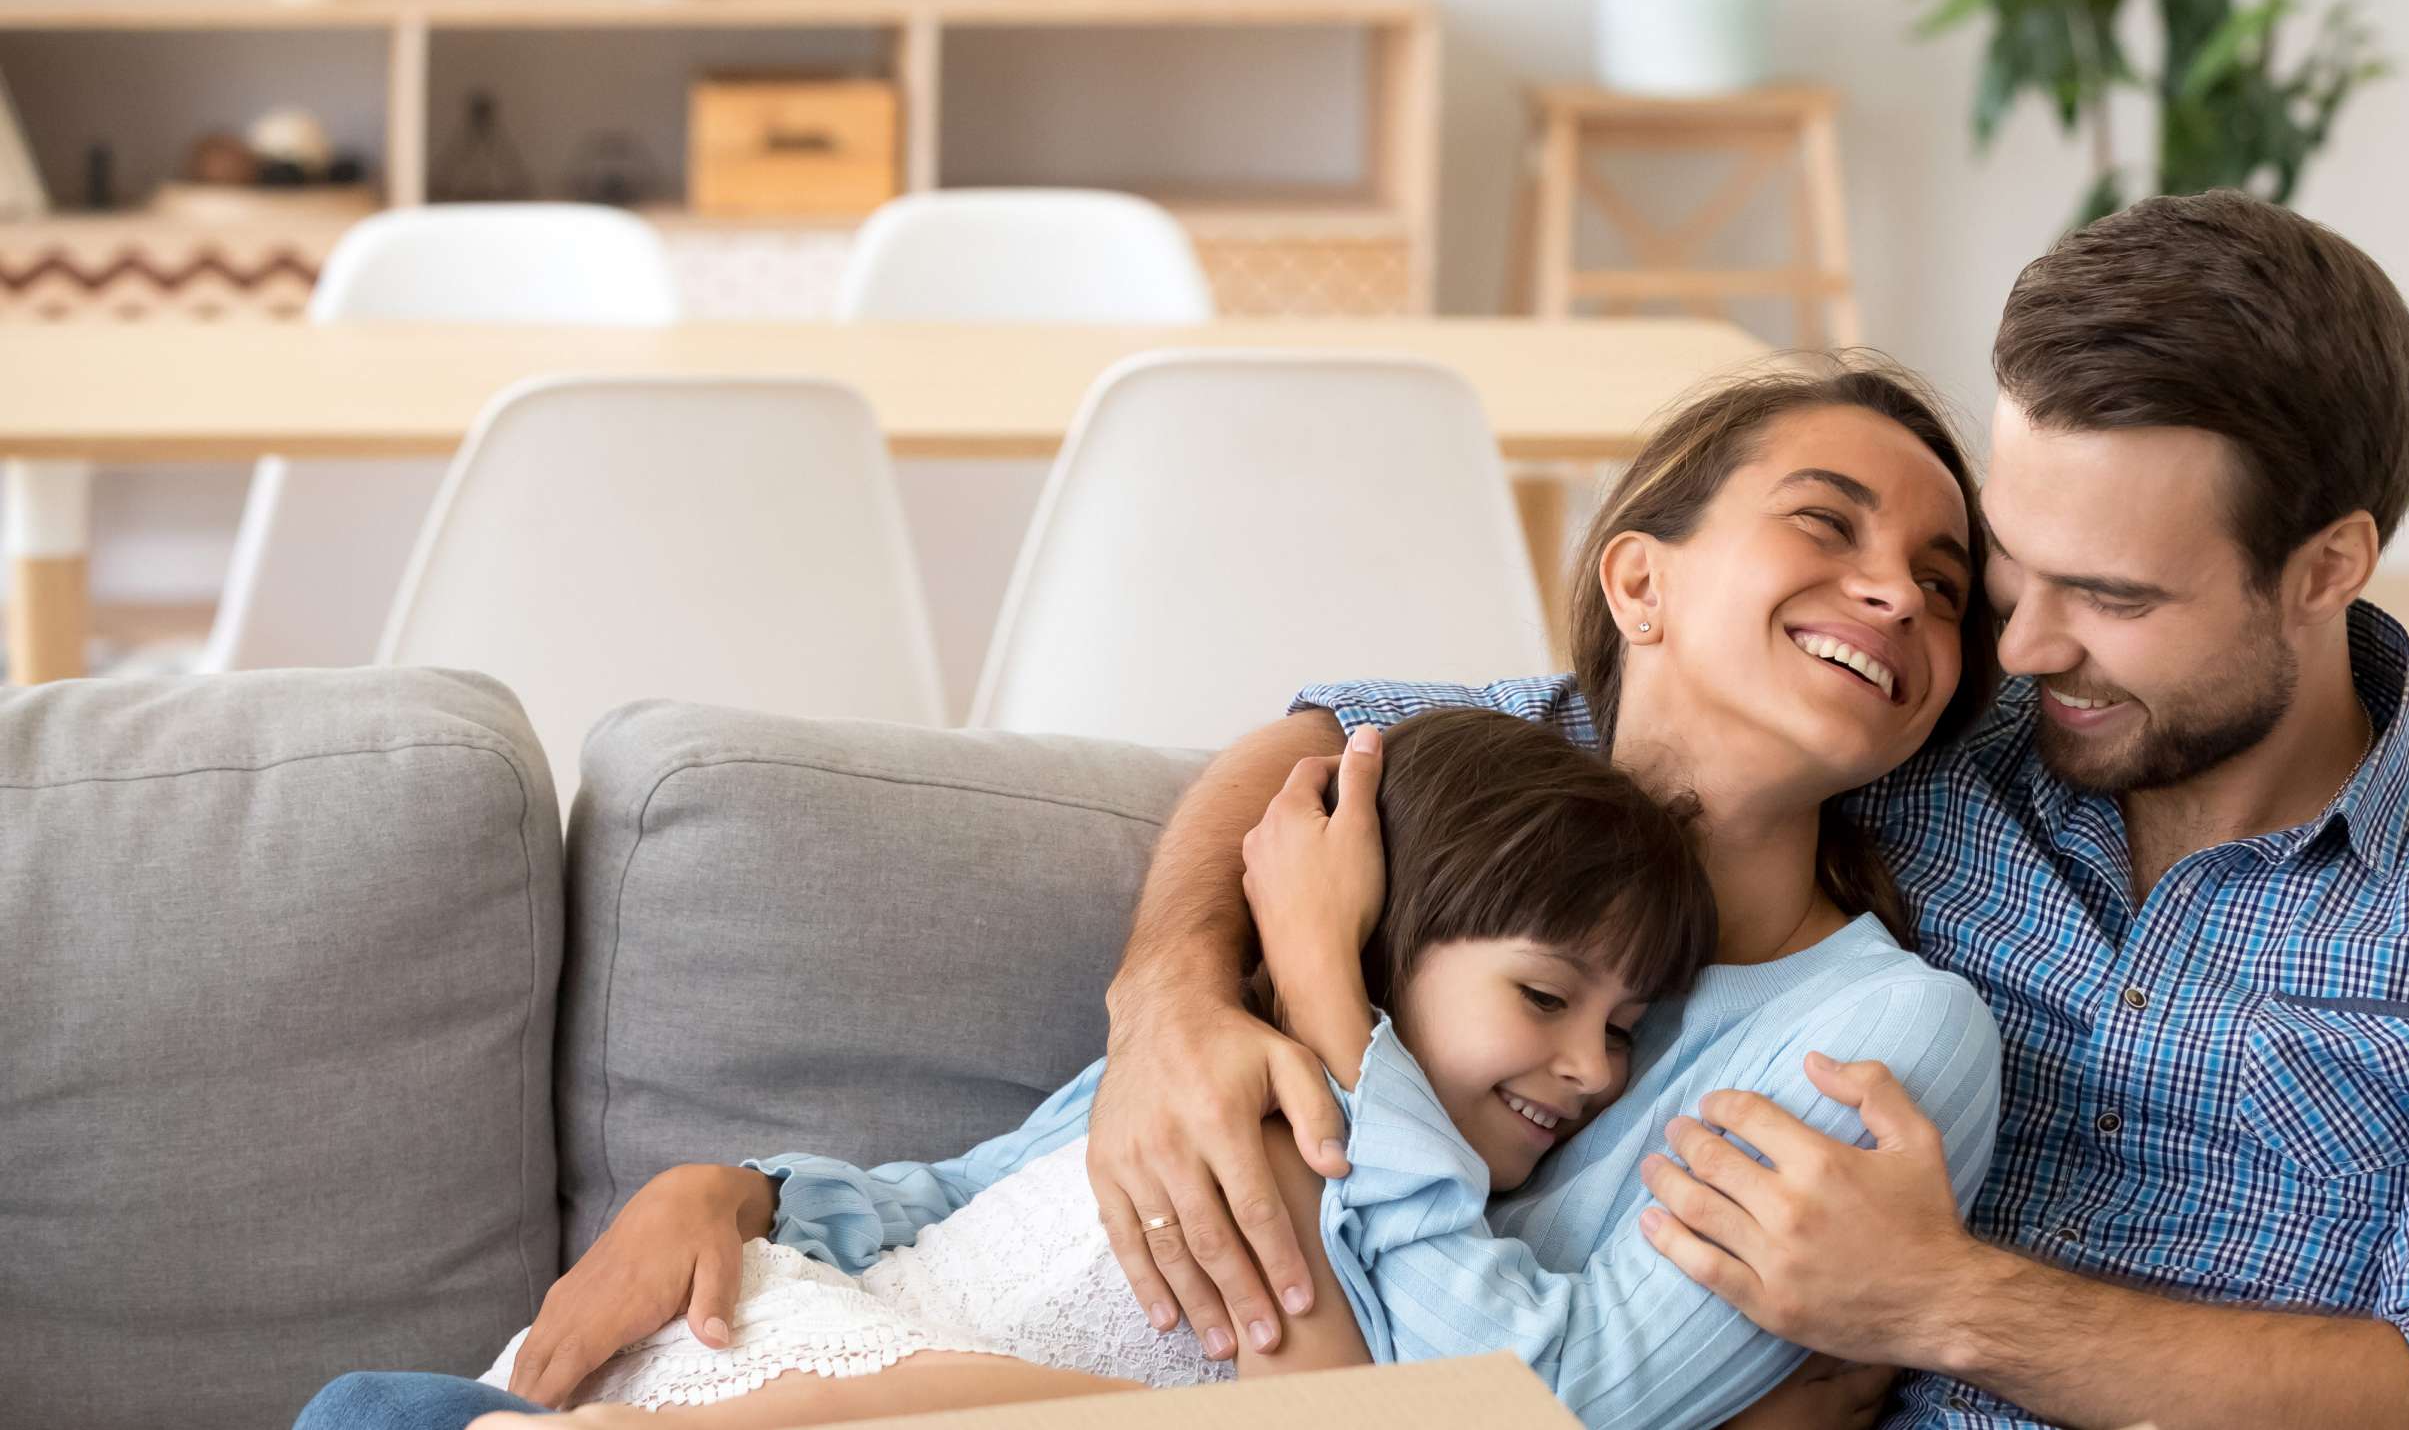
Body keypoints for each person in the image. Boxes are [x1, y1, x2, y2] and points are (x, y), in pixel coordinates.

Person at [1085, 192, 2409, 1430]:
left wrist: (1944, 1305)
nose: (2026, 647)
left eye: (2114, 597)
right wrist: (1166, 988)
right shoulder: (1907, 734)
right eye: (2013, 569)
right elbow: (1356, 734)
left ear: (2327, 567)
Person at [302, 361, 2009, 1430]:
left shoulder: (1880, 1028)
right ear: (1638, 577)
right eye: (1829, 525)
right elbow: (1026, 1182)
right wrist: (738, 1192)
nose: (1896, 596)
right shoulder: (1425, 820)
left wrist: (1331, 1000)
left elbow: (1517, 1414)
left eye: (1946, 588)